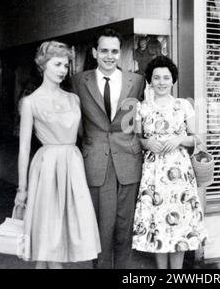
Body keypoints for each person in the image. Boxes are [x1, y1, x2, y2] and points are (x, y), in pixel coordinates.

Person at [14, 41, 101, 269]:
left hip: (72, 166)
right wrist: (21, 189)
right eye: (57, 64)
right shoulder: (30, 102)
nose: (63, 69)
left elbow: (87, 135)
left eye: (65, 65)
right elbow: (24, 148)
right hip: (47, 168)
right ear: (43, 65)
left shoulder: (74, 99)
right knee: (48, 232)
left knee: (66, 232)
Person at [71, 28, 146, 269]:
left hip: (128, 160)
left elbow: (142, 118)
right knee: (101, 228)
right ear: (94, 52)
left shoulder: (137, 81)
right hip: (96, 161)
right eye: (104, 50)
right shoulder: (78, 82)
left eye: (114, 51)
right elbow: (77, 123)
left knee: (125, 228)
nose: (109, 56)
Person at [132, 56, 208, 269]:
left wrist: (179, 140)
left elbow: (197, 138)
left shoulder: (183, 105)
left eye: (166, 77)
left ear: (173, 80)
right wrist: (148, 143)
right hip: (154, 172)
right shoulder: (141, 107)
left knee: (179, 223)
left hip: (179, 172)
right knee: (158, 222)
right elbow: (137, 139)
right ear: (150, 80)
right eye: (157, 77)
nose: (162, 82)